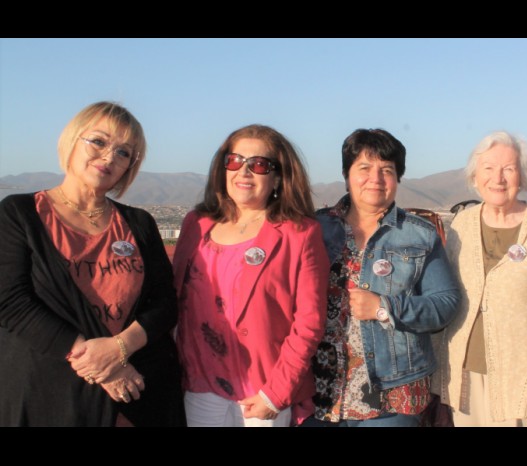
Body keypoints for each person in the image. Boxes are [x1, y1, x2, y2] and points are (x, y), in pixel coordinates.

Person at [0, 101, 185, 426]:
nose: (109, 157)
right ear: (71, 141)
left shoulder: (138, 222)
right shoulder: (19, 214)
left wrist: (119, 349)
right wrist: (101, 364)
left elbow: (165, 303)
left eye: (124, 152)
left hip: (137, 395)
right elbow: (10, 301)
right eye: (98, 141)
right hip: (50, 393)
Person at [173, 124, 329, 427]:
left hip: (263, 392)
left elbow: (309, 322)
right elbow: (175, 296)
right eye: (234, 161)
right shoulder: (197, 223)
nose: (244, 172)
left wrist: (276, 393)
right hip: (200, 385)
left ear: (278, 178)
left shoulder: (300, 233)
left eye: (258, 165)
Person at [304, 128, 460, 427]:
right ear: (346, 173)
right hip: (319, 389)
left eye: (386, 170)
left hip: (393, 391)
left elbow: (445, 304)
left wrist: (384, 306)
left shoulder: (420, 233)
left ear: (398, 178)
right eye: (364, 167)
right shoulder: (314, 227)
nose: (375, 178)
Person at [432, 131, 527, 426]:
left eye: (509, 168)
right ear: (475, 176)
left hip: (520, 381)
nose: (498, 178)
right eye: (488, 168)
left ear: (522, 177)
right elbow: (444, 298)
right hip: (464, 378)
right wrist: (438, 375)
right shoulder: (462, 225)